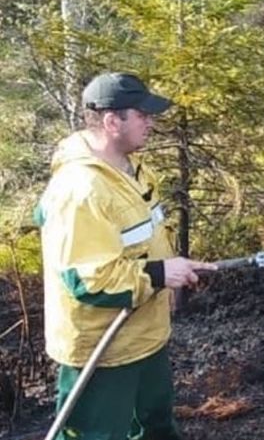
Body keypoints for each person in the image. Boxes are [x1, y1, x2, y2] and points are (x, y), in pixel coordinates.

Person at [35, 72, 216, 440]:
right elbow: (89, 280)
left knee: (156, 430)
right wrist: (161, 274)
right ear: (111, 121)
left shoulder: (133, 171)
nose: (150, 123)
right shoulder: (80, 190)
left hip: (145, 337)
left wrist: (168, 273)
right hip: (102, 350)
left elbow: (147, 239)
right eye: (142, 115)